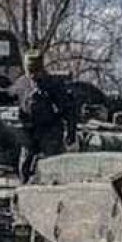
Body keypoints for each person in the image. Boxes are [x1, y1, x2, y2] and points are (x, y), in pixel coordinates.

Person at [9, 50, 74, 180]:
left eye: (35, 71)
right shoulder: (22, 83)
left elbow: (68, 109)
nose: (33, 75)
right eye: (30, 72)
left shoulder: (54, 84)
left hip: (50, 131)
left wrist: (71, 131)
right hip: (29, 130)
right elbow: (9, 95)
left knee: (52, 164)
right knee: (25, 166)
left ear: (41, 69)